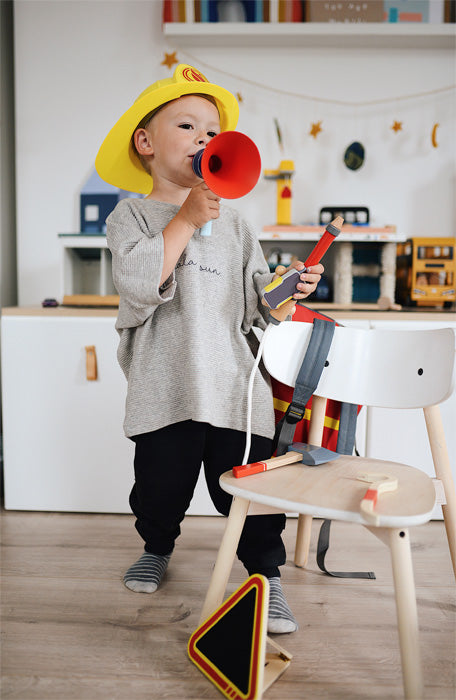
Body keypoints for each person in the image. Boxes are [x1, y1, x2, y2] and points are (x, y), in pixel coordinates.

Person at [95, 64, 323, 634]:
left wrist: (286, 290)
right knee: (160, 488)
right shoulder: (131, 217)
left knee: (252, 496)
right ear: (145, 143)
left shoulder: (239, 224)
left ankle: (265, 576)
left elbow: (260, 308)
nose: (203, 138)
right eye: (187, 125)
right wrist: (187, 218)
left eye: (211, 131)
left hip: (233, 388)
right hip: (163, 388)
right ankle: (157, 545)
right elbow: (140, 283)